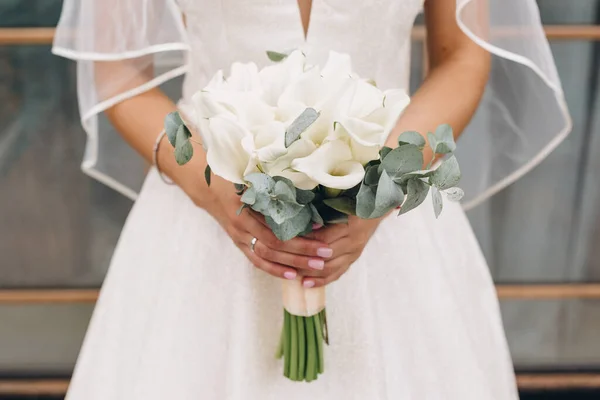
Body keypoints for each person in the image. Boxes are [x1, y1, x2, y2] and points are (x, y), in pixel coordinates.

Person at [52, 0, 570, 398]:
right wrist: (216, 195)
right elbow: (116, 67)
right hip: (207, 222)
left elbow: (460, 58)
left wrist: (379, 189)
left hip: (391, 221)